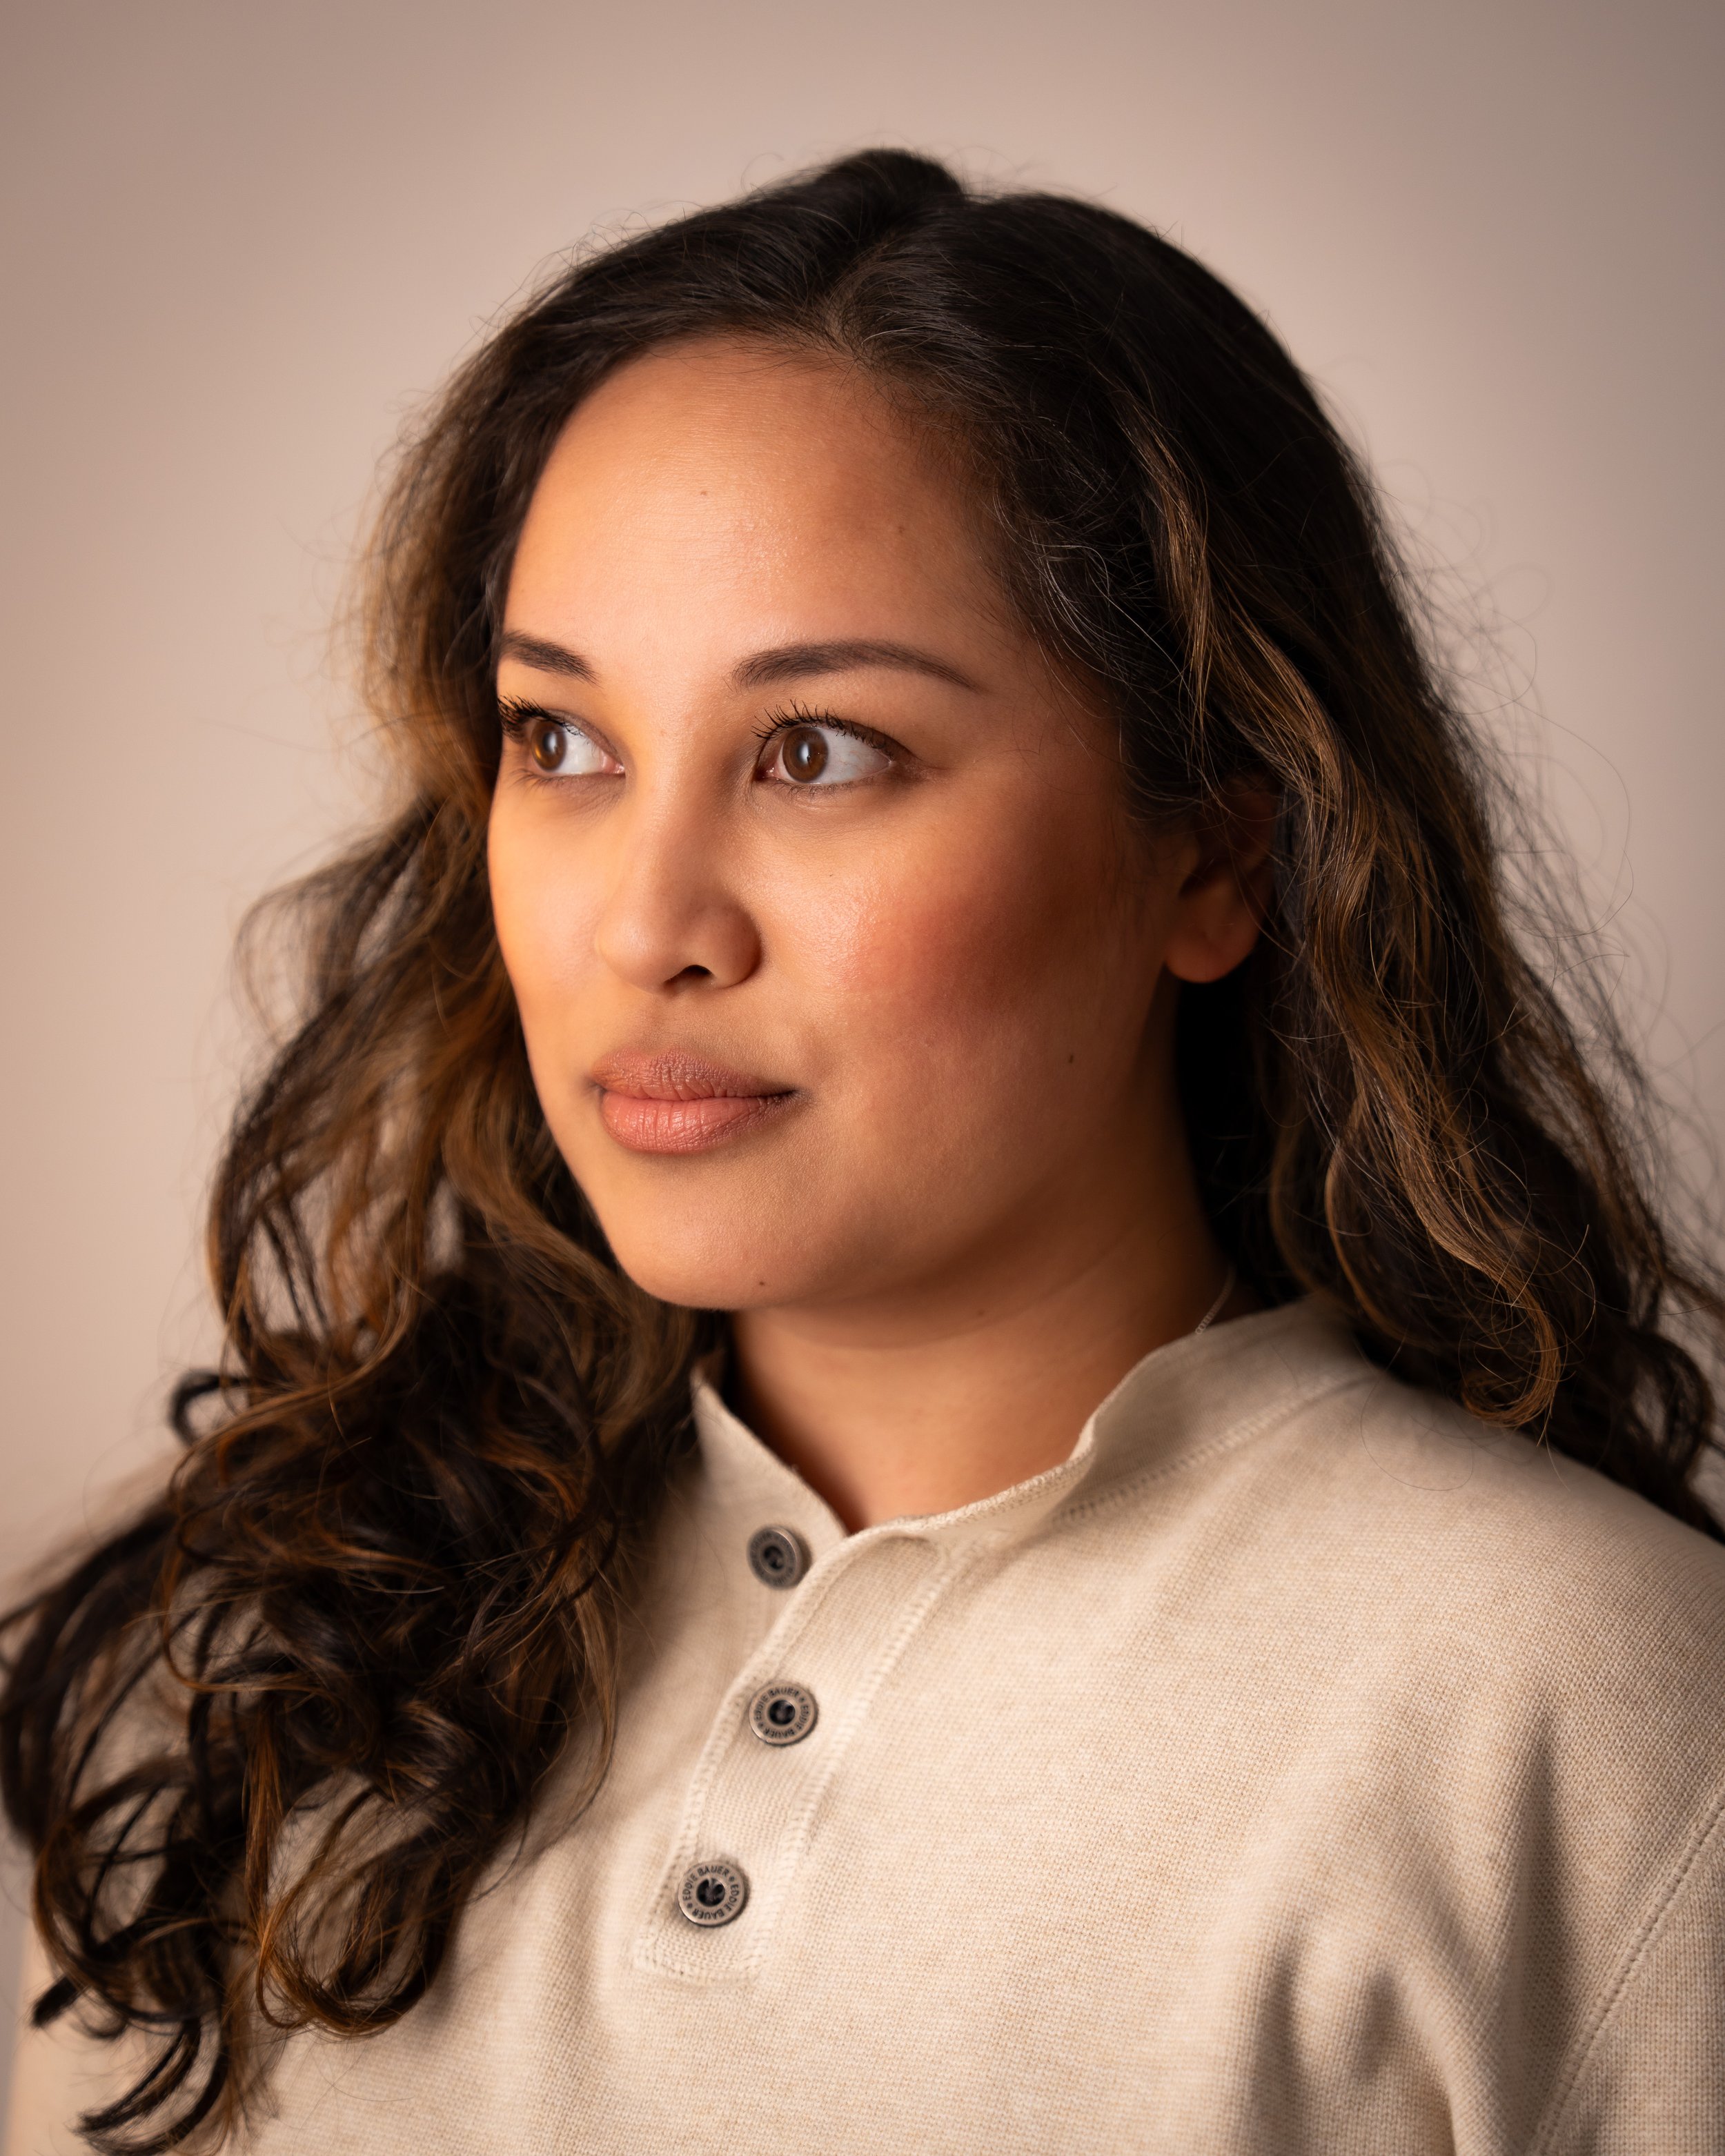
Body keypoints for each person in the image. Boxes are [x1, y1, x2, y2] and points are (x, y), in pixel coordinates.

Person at [5, 148, 1724, 2156]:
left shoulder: (1589, 1720)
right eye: (561, 744)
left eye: (816, 751)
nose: (647, 925)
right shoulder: (251, 1648)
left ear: (1212, 850)